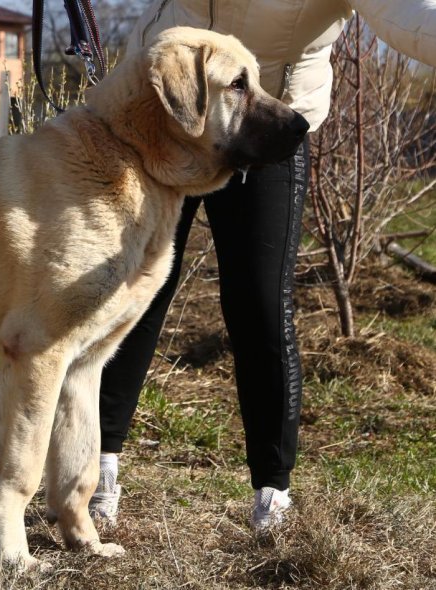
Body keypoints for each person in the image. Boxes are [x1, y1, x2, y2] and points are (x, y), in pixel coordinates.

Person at [89, 0, 436, 530]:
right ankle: (95, 470)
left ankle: (272, 492)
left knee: (260, 307)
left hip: (259, 125)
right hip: (159, 114)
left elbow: (411, 15)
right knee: (126, 293)